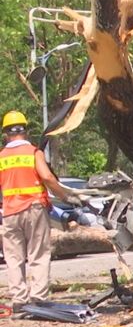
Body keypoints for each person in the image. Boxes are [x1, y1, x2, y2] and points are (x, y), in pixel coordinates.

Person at [0, 111, 81, 315]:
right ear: (25, 131)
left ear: (5, 134)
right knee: (38, 254)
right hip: (35, 208)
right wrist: (64, 197)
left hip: (10, 212)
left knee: (14, 257)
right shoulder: (33, 152)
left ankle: (19, 301)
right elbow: (47, 177)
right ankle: (38, 299)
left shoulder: (2, 157)